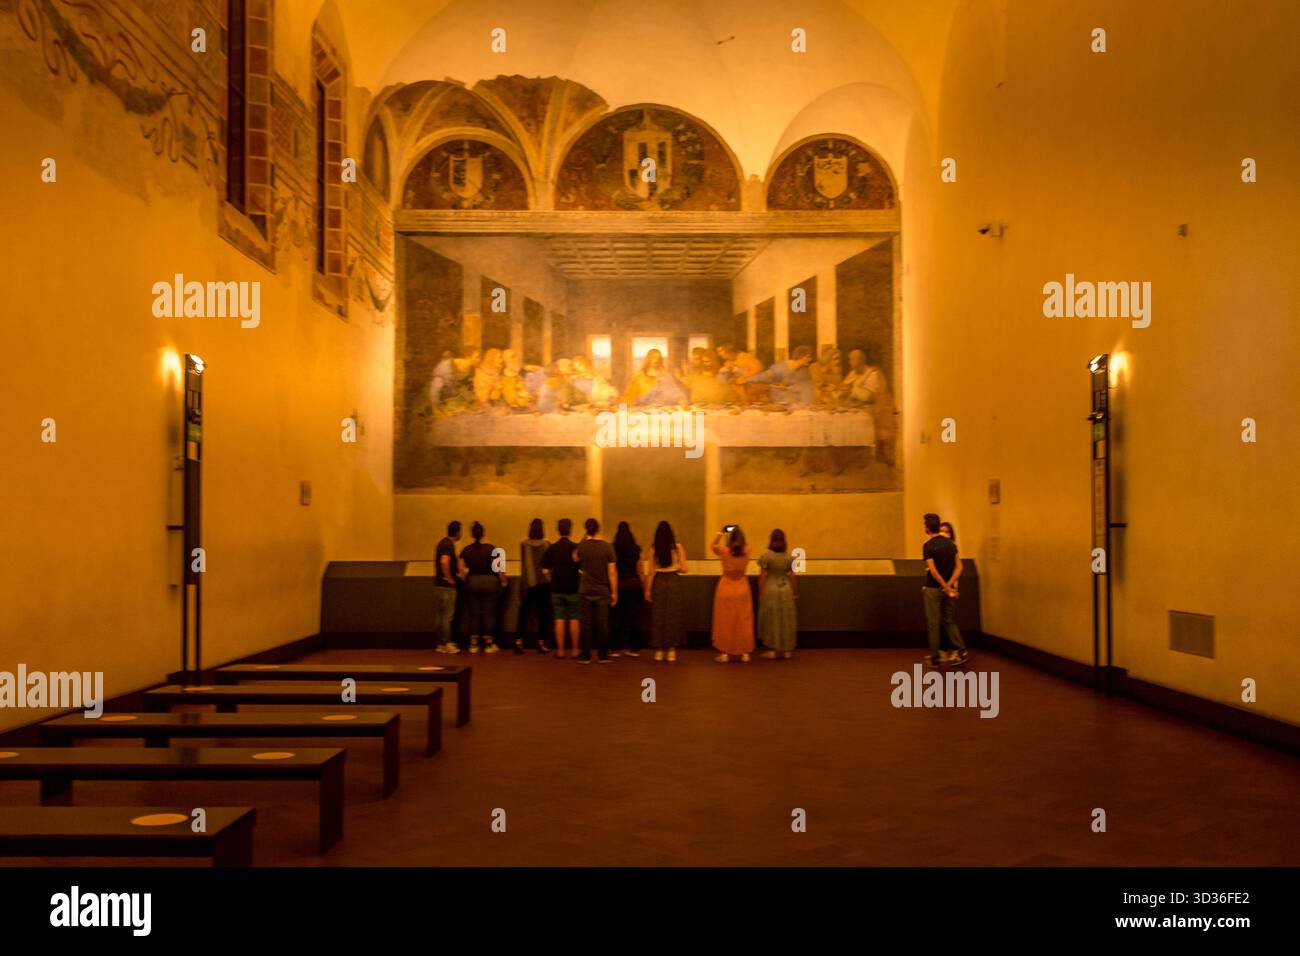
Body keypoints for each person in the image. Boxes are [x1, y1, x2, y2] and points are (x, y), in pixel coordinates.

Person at [922, 513, 968, 666]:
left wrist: (944, 586)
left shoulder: (928, 546)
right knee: (948, 620)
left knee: (934, 622)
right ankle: (961, 650)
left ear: (928, 528)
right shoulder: (950, 544)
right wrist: (950, 586)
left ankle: (935, 656)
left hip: (933, 589)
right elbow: (960, 567)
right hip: (949, 589)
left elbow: (933, 571)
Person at [841, 347, 897, 465]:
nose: (849, 362)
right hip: (857, 407)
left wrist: (852, 390)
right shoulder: (852, 373)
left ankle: (869, 455)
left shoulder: (872, 373)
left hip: (875, 407)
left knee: (860, 421)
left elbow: (868, 397)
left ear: (860, 361)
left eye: (852, 360)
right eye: (849, 359)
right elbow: (843, 390)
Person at [459, 521, 507, 653]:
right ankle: (488, 644)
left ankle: (473, 644)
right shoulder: (492, 548)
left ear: (472, 534)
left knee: (473, 613)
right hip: (491, 582)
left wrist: (465, 581)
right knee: (489, 613)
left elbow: (462, 571)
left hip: (473, 582)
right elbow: (499, 569)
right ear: (483, 533)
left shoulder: (466, 550)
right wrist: (503, 581)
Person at [574, 518, 617, 664]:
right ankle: (603, 655)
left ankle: (586, 655)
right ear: (599, 529)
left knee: (585, 624)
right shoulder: (607, 547)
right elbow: (612, 572)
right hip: (602, 590)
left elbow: (574, 557)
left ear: (587, 529)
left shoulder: (583, 546)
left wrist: (583, 539)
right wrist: (614, 592)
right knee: (602, 623)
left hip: (585, 589)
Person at [645, 520, 689, 661]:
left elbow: (650, 572)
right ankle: (671, 650)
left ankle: (659, 650)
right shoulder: (677, 547)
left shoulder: (653, 548)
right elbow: (685, 569)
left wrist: (647, 590)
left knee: (658, 616)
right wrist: (676, 566)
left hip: (659, 582)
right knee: (673, 616)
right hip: (673, 581)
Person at [710, 525, 755, 662]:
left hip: (725, 586)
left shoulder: (724, 550)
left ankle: (724, 652)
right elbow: (743, 548)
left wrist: (720, 532)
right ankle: (745, 652)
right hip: (742, 587)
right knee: (744, 620)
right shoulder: (747, 550)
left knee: (725, 621)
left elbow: (712, 545)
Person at [540, 518, 581, 658]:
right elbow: (582, 568)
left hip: (557, 588)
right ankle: (575, 650)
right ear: (570, 530)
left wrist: (551, 578)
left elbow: (545, 571)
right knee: (575, 618)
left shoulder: (552, 548)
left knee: (559, 618)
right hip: (574, 587)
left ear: (558, 530)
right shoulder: (576, 548)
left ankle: (561, 651)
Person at [757, 528, 798, 659]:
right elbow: (792, 576)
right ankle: (787, 650)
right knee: (786, 619)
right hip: (786, 589)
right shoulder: (789, 557)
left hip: (770, 589)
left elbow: (762, 576)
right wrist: (795, 592)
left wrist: (761, 592)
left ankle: (772, 650)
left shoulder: (766, 556)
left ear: (771, 540)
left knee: (772, 619)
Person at [516, 518, 551, 654]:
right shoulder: (547, 544)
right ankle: (541, 644)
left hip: (528, 583)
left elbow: (524, 564)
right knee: (543, 614)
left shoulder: (523, 544)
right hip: (543, 583)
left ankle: (519, 642)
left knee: (523, 613)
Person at [610, 521, 644, 658]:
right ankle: (634, 648)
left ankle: (615, 648)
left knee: (616, 617)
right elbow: (640, 569)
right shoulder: (636, 548)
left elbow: (612, 570)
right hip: (634, 583)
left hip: (619, 584)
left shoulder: (613, 548)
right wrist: (643, 585)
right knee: (634, 617)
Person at [739, 345, 815, 406]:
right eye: (809, 357)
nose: (810, 360)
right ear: (802, 356)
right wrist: (747, 380)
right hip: (779, 399)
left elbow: (802, 387)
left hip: (795, 401)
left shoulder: (804, 370)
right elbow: (765, 376)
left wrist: (787, 388)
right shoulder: (782, 367)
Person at [434, 520, 463, 654]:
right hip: (446, 586)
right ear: (457, 532)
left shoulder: (442, 543)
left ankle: (440, 643)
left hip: (438, 585)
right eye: (460, 531)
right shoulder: (448, 545)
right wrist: (450, 578)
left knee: (440, 616)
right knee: (447, 617)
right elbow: (444, 561)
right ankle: (447, 643)